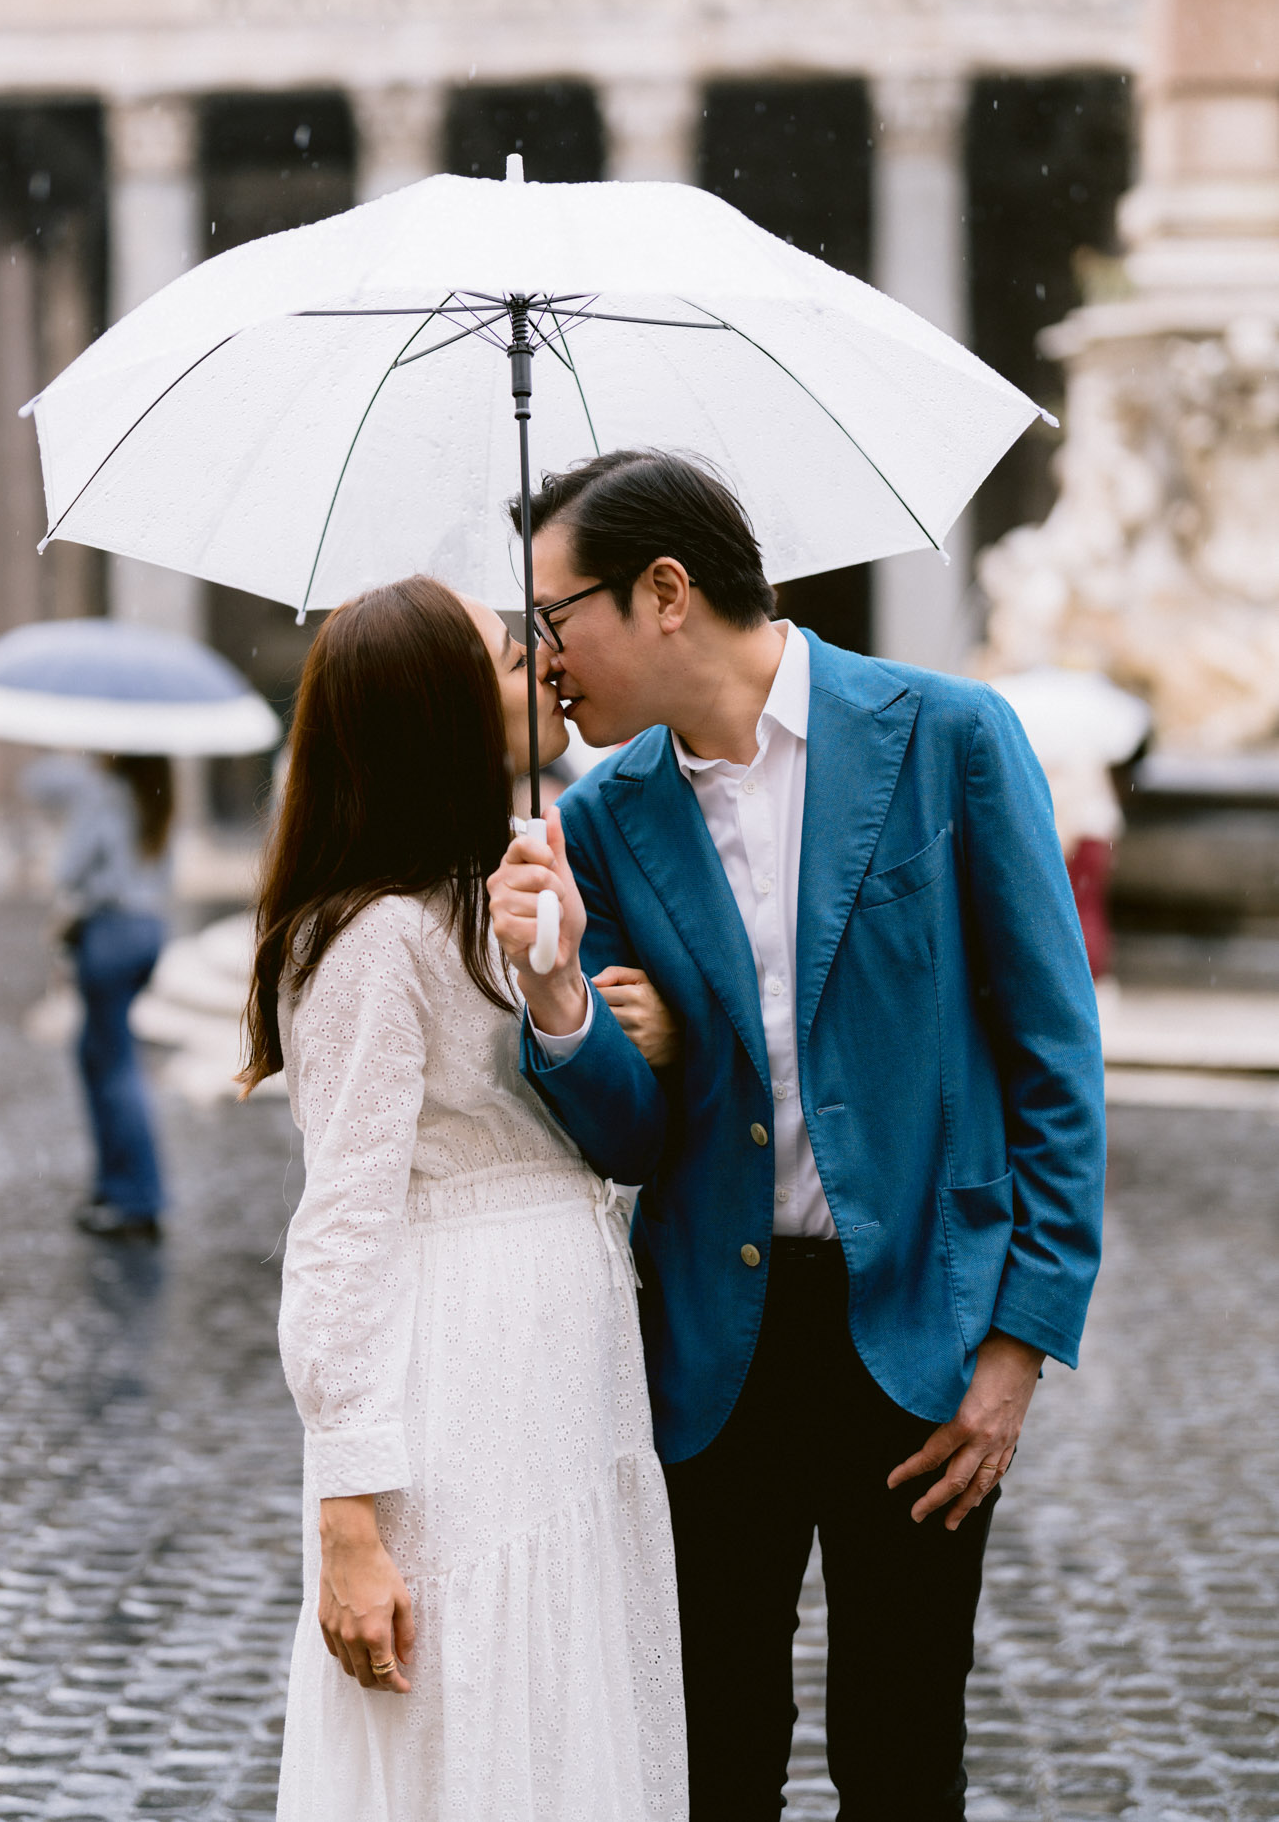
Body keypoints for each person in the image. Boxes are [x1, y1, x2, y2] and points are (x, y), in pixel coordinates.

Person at [489, 451, 1105, 1822]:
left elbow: (1055, 1059)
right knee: (713, 1762)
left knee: (899, 1757)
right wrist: (561, 1003)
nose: (543, 658)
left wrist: (1015, 1346)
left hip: (920, 1340)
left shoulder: (949, 736)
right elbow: (635, 1137)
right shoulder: (599, 819)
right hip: (714, 1353)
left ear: (664, 592)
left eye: (555, 615)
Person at [242, 576, 685, 1822]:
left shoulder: (491, 902)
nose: (539, 664)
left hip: (564, 1387)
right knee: (474, 1714)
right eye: (506, 655)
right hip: (463, 1388)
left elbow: (597, 1135)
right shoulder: (374, 939)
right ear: (440, 711)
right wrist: (349, 1522)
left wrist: (578, 1004)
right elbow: (341, 1229)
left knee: (558, 1720)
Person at [57, 752, 173, 1244]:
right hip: (148, 929)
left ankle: (135, 1199)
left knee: (114, 1063)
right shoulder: (159, 791)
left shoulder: (102, 790)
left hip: (110, 930)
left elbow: (67, 868)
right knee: (98, 1053)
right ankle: (114, 1187)